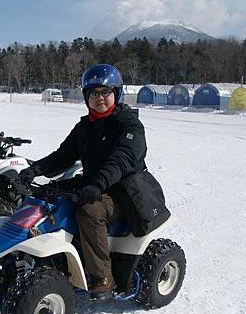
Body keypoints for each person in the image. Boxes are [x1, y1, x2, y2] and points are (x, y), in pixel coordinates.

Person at [19, 64, 150, 301]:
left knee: (90, 211)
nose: (99, 98)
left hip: (123, 191)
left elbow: (121, 161)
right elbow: (63, 155)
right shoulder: (85, 127)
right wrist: (34, 170)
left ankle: (103, 277)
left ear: (116, 94)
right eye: (93, 93)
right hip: (93, 185)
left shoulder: (129, 125)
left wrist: (96, 185)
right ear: (86, 96)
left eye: (105, 92)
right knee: (49, 196)